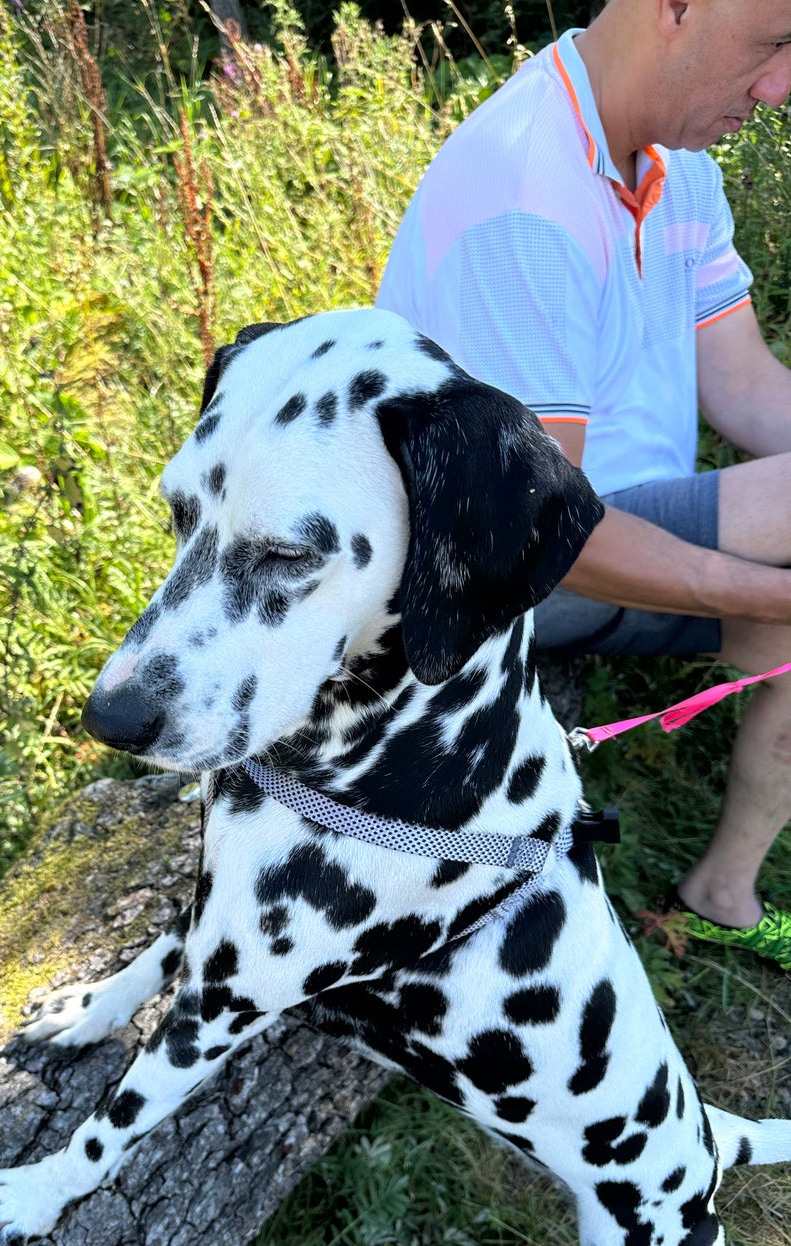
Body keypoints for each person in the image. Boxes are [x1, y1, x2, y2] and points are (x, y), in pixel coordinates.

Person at [376, 0, 791, 968]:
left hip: (605, 526)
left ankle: (720, 895)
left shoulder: (676, 167)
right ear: (675, 8)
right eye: (772, 47)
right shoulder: (526, 190)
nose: (780, 91)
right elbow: (539, 535)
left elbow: (748, 387)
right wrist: (768, 587)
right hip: (495, 568)